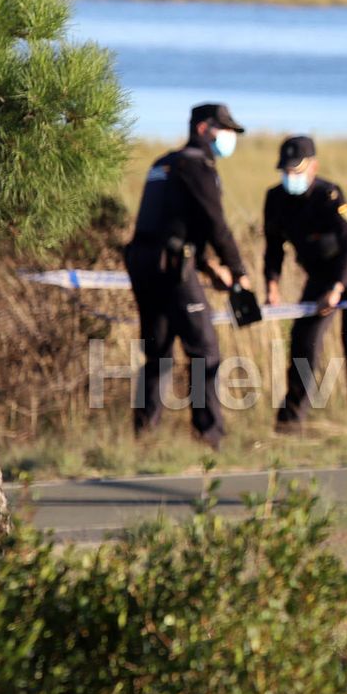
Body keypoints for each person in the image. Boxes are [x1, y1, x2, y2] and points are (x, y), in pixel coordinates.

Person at [123, 102, 251, 450]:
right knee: (204, 351)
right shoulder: (196, 165)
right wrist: (238, 271)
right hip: (172, 268)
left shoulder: (162, 164)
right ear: (202, 129)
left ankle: (143, 436)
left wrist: (209, 267)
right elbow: (216, 224)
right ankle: (210, 436)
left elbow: (174, 224)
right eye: (223, 129)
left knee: (158, 351)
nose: (228, 137)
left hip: (143, 262)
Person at [262, 135, 347, 430]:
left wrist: (338, 289)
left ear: (313, 167)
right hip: (321, 276)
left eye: (297, 171)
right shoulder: (275, 199)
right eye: (286, 171)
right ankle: (290, 420)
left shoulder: (329, 196)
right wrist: (272, 285)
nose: (290, 177)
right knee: (305, 340)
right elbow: (273, 247)